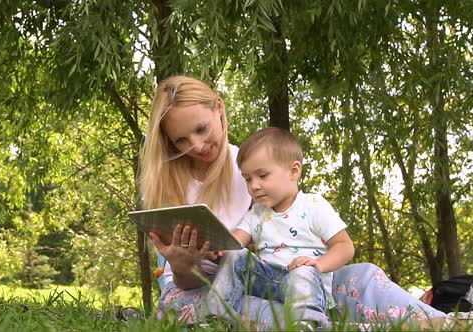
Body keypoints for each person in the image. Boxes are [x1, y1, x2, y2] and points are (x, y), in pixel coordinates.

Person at [138, 75, 446, 329]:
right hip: (195, 293)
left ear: (219, 108)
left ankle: (443, 322)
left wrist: (310, 267)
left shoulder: (250, 167)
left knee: (359, 276)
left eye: (202, 129)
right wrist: (181, 267)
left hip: (261, 280)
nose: (196, 145)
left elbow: (287, 235)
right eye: (181, 140)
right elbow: (183, 280)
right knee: (255, 309)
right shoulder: (167, 184)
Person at [204, 127, 355, 329]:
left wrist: (317, 265)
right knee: (234, 255)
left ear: (294, 171)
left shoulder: (313, 205)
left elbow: (345, 246)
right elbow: (234, 241)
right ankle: (217, 319)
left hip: (307, 284)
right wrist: (218, 246)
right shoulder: (256, 213)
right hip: (269, 281)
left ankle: (306, 323)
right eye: (248, 179)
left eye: (263, 175)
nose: (254, 186)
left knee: (302, 271)